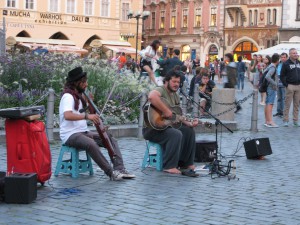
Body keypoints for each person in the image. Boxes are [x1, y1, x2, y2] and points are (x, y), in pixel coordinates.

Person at [59, 66, 135, 181]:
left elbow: (85, 112)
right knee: (91, 144)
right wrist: (87, 116)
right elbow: (67, 115)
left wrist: (90, 104)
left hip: (83, 132)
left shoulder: (79, 96)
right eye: (83, 82)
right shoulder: (68, 97)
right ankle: (111, 173)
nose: (86, 84)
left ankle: (120, 168)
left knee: (109, 138)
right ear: (76, 83)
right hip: (70, 135)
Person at [142, 69, 199, 177]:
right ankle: (169, 166)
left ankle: (186, 163)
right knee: (175, 134)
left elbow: (176, 117)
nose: (176, 84)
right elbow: (152, 97)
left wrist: (188, 122)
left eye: (178, 82)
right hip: (152, 129)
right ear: (166, 81)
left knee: (189, 131)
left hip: (166, 127)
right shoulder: (161, 90)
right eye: (174, 81)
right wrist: (165, 110)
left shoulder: (175, 96)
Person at [280, 48, 300, 127]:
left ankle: (295, 120)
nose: (296, 54)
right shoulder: (286, 63)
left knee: (296, 104)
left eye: (296, 53)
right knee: (287, 104)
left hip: (298, 86)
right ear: (290, 54)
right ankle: (285, 120)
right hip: (290, 86)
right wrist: (286, 85)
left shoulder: (299, 62)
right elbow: (282, 75)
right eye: (294, 53)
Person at [263, 54, 280, 128]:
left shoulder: (269, 66)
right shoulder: (273, 67)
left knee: (267, 104)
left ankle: (267, 121)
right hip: (271, 87)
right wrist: (275, 83)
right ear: (278, 60)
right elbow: (267, 76)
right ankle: (270, 121)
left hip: (268, 87)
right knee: (270, 104)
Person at [273, 52, 288, 117]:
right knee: (279, 98)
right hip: (278, 84)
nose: (283, 58)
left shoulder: (288, 64)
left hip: (284, 84)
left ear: (287, 58)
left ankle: (283, 113)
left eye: (284, 57)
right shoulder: (278, 64)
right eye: (282, 57)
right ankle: (279, 112)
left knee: (284, 99)